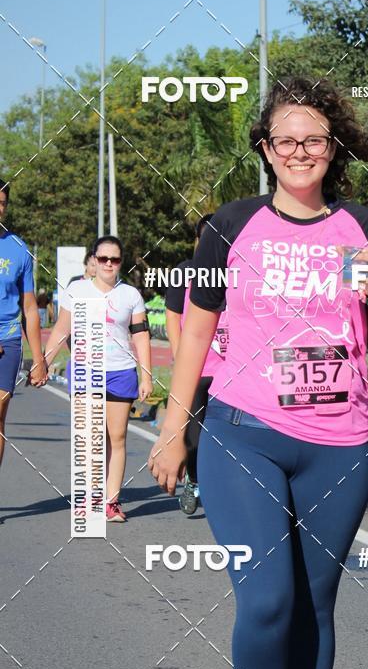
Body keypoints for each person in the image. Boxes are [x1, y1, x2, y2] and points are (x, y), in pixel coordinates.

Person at [148, 77, 368, 669]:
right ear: (266, 148)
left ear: (333, 150)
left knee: (313, 608)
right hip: (242, 435)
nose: (300, 151)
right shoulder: (227, 226)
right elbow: (195, 334)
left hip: (338, 445)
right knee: (267, 599)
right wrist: (173, 432)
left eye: (314, 140)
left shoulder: (364, 226)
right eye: (285, 139)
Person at [45, 235, 152, 521]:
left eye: (114, 259)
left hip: (120, 373)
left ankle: (111, 501)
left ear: (120, 263)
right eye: (102, 258)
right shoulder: (77, 290)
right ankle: (90, 498)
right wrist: (44, 363)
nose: (108, 264)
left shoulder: (130, 295)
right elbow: (60, 331)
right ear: (93, 259)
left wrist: (146, 376)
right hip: (85, 370)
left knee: (116, 438)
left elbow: (141, 337)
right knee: (90, 438)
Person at [165, 213, 230, 515]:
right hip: (198, 369)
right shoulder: (185, 272)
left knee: (228, 432)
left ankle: (225, 488)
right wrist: (181, 360)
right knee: (193, 435)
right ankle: (193, 480)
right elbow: (172, 316)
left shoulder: (238, 272)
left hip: (231, 369)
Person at [0, 178, 47, 471]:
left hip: (8, 339)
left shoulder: (18, 248)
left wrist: (39, 359)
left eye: (2, 203)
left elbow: (30, 308)